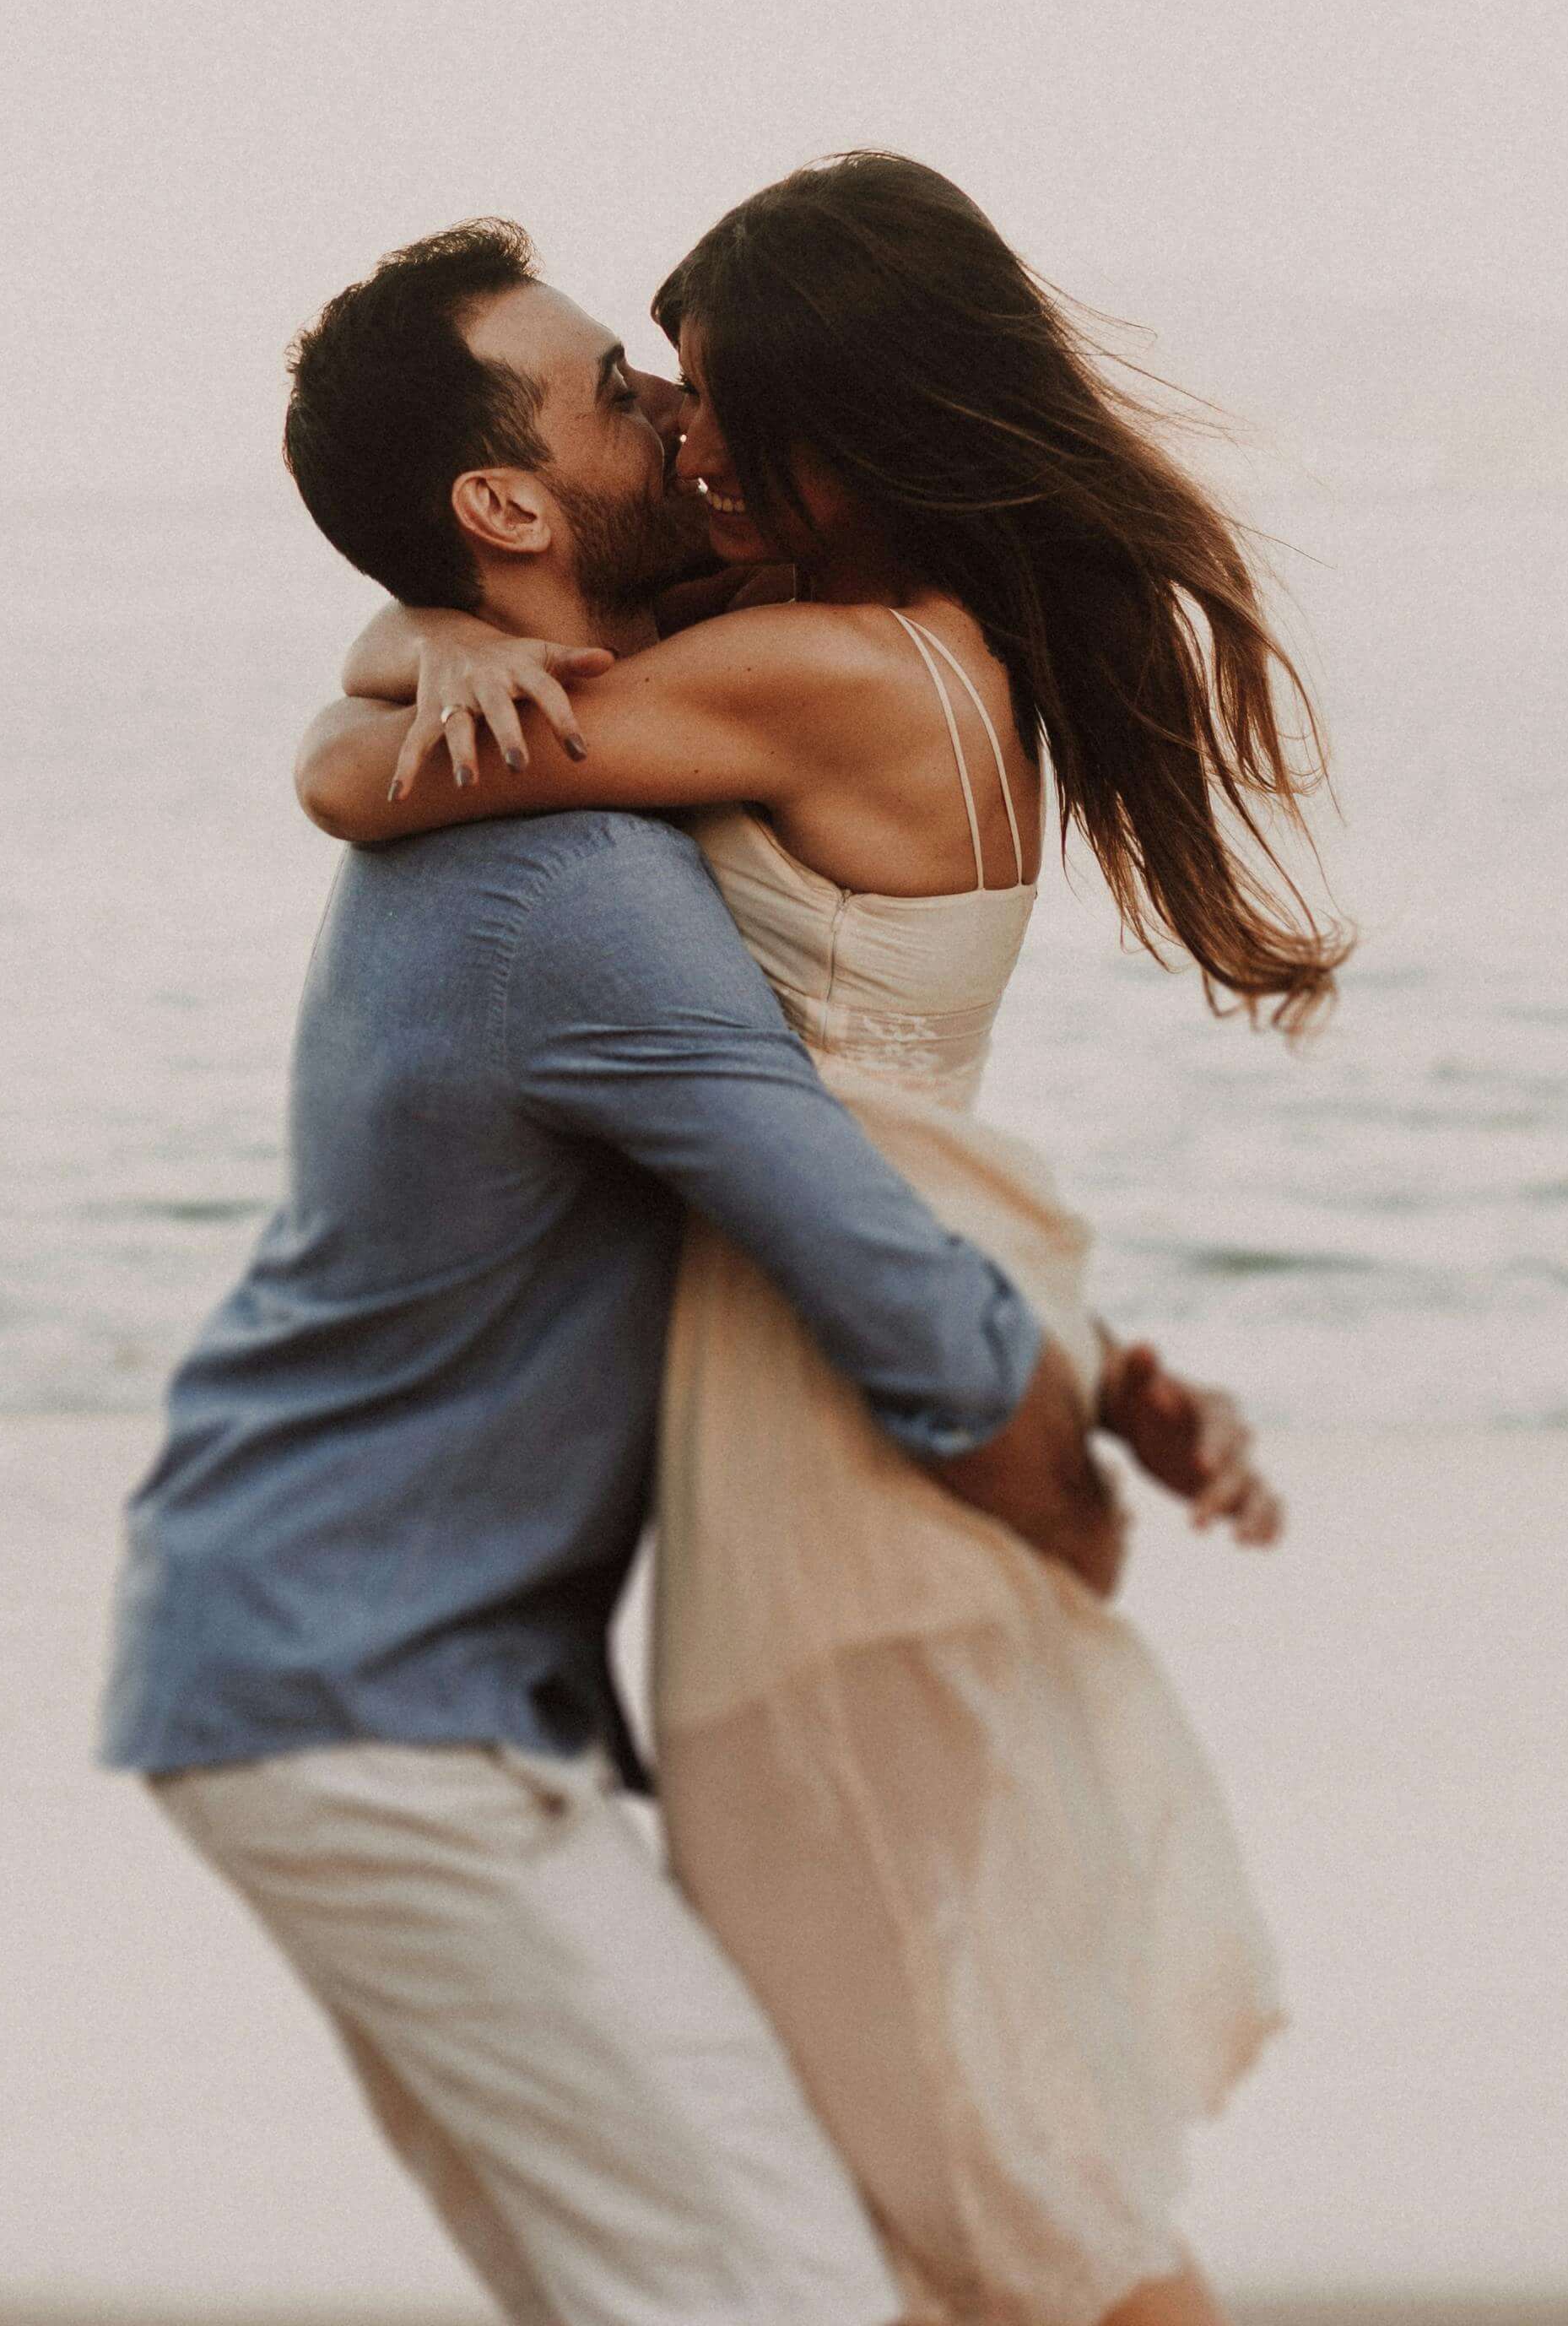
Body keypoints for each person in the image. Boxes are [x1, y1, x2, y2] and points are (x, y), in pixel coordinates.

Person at [292, 154, 1335, 2326]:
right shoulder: (919, 659)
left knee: (971, 2156)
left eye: (720, 405)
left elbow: (363, 786)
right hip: (862, 1384)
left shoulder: (814, 674)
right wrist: (433, 624)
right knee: (935, 2128)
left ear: (858, 440)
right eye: (653, 397)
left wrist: (407, 647)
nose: (681, 436)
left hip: (826, 1453)